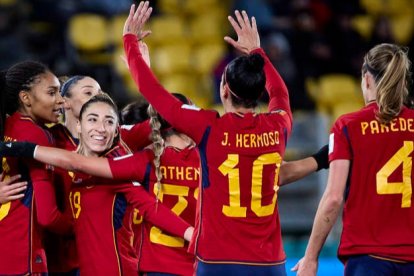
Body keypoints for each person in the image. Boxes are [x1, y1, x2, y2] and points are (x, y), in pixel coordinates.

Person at [123, 3, 292, 274]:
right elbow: (280, 94)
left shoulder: (209, 127)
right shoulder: (279, 124)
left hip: (218, 260)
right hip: (270, 261)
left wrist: (130, 41)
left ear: (224, 90)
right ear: (259, 93)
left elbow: (152, 92)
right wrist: (258, 52)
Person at [293, 43, 414, 276]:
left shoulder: (348, 126)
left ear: (366, 78)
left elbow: (333, 198)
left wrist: (310, 258)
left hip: (369, 259)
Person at [0, 60, 70, 275]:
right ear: (26, 97)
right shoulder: (36, 135)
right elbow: (48, 216)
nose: (60, 101)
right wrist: (85, 224)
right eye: (52, 93)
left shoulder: (8, 124)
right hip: (24, 252)